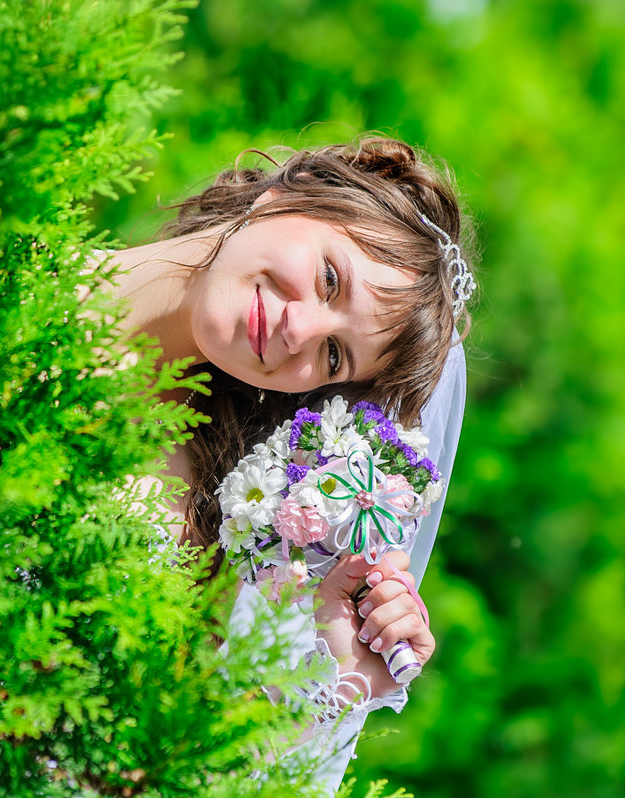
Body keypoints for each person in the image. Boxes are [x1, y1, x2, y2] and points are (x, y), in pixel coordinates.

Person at [94, 136, 476, 791]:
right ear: (289, 192)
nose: (299, 332)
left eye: (333, 357)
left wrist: (335, 675)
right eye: (330, 278)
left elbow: (169, 767)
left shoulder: (209, 528)